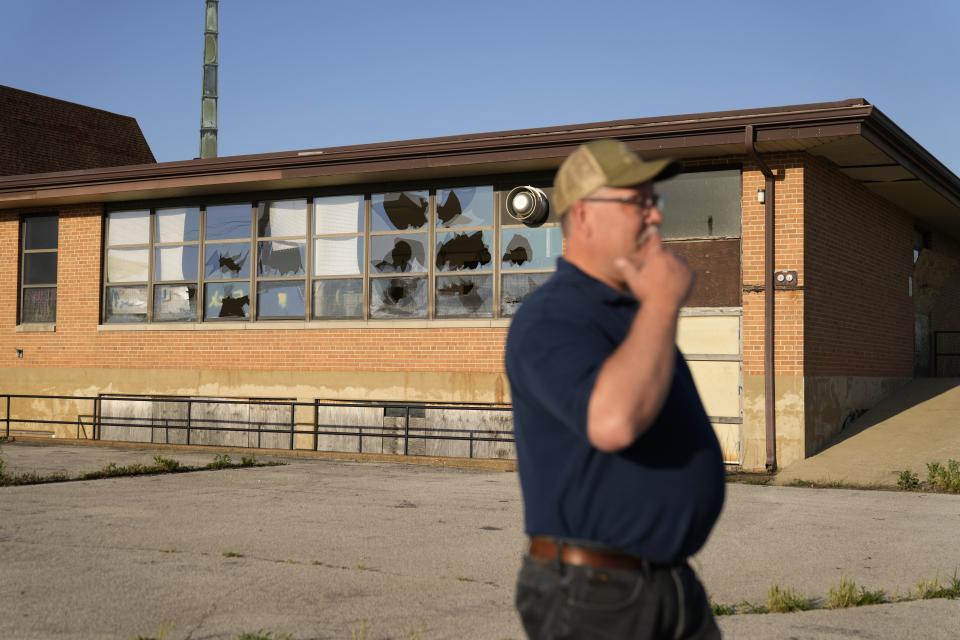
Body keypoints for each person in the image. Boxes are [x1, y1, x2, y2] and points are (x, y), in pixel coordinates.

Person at [505, 139, 725, 639]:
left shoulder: (633, 315)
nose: (653, 218)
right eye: (637, 203)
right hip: (595, 596)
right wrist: (664, 303)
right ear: (583, 216)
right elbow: (613, 422)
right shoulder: (550, 318)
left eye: (655, 203)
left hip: (667, 585)